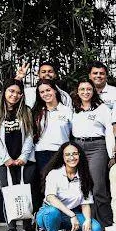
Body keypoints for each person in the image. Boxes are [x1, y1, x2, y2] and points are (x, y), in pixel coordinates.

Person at [0, 79, 38, 231]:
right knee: (8, 194)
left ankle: (28, 228)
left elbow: (29, 135)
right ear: (4, 92)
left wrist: (23, 156)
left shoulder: (26, 111)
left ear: (22, 95)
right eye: (11, 91)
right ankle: (11, 230)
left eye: (18, 93)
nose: (14, 95)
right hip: (2, 161)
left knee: (26, 193)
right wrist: (6, 158)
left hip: (25, 160)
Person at [36, 142, 103, 231]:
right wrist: (72, 215)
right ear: (62, 157)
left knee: (95, 229)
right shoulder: (54, 174)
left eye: (75, 154)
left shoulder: (84, 176)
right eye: (67, 154)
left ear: (79, 155)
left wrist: (87, 220)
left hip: (70, 215)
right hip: (49, 213)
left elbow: (85, 203)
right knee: (53, 212)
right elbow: (51, 197)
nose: (72, 157)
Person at [70, 78, 116, 229]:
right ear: (77, 92)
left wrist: (111, 154)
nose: (85, 92)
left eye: (89, 89)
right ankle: (89, 224)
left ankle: (106, 224)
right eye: (82, 89)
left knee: (98, 186)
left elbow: (109, 132)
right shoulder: (72, 108)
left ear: (94, 91)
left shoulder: (102, 108)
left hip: (97, 147)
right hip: (78, 147)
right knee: (82, 186)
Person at [32, 79, 73, 216]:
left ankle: (64, 217)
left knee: (62, 185)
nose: (46, 94)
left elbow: (72, 133)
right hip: (42, 153)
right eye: (42, 92)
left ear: (55, 90)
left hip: (61, 153)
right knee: (45, 186)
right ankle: (44, 217)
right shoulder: (37, 112)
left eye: (48, 90)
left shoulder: (67, 110)